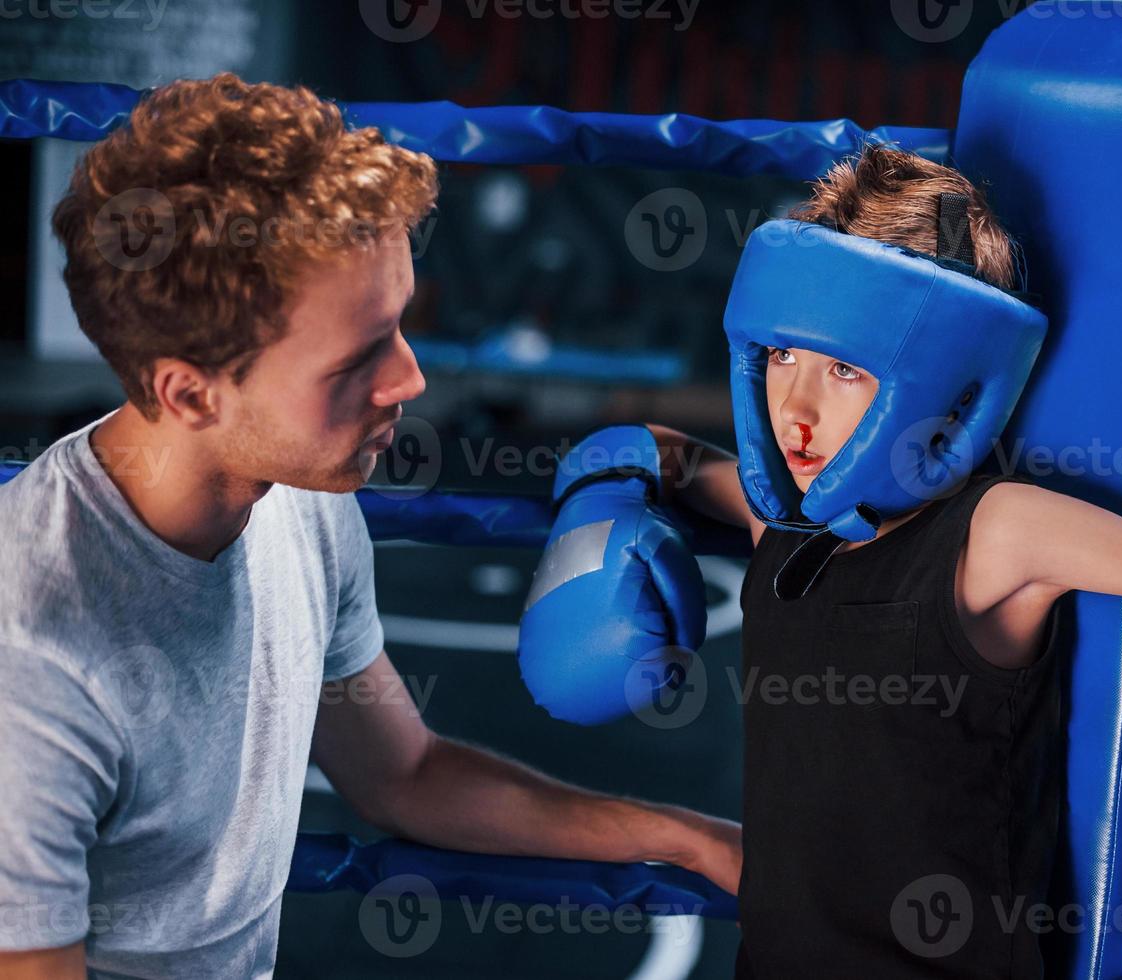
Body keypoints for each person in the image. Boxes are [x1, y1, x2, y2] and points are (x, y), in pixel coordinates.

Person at [0, 73, 740, 980]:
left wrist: (694, 839)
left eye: (400, 325)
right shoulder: (34, 660)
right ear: (189, 391)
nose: (410, 381)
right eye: (358, 360)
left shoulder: (302, 498)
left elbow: (405, 776)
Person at [645, 144, 1122, 977]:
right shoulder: (787, 521)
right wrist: (607, 484)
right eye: (781, 357)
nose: (794, 408)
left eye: (844, 367)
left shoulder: (998, 533)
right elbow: (673, 460)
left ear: (943, 375)